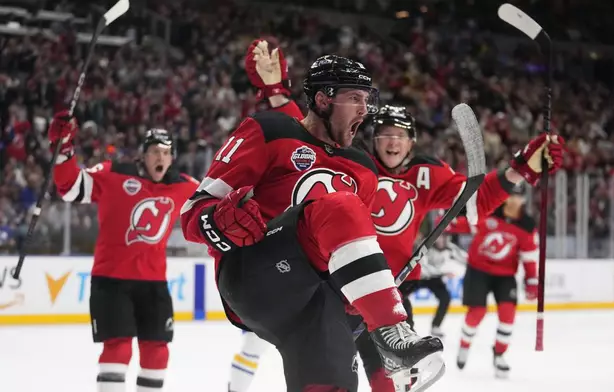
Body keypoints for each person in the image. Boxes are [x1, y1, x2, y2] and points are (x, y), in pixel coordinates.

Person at [224, 38, 565, 392]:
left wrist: (522, 169)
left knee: (391, 383)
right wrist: (276, 90)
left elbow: (474, 201)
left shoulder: (427, 174)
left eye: (400, 136)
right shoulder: (353, 164)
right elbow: (304, 133)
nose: (392, 142)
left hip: (389, 292)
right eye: (385, 134)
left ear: (412, 142)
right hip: (328, 285)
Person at [181, 53, 445, 392]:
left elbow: (348, 246)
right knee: (338, 205)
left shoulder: (363, 167)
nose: (364, 110)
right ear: (323, 100)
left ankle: (386, 336)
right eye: (355, 99)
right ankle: (392, 333)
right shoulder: (269, 130)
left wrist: (361, 296)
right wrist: (217, 219)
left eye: (367, 100)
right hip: (256, 274)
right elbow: (192, 214)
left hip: (318, 301)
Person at [49, 113, 199, 392]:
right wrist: (64, 149)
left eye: (166, 153)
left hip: (154, 284)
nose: (161, 158)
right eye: (155, 151)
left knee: (157, 353)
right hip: (111, 281)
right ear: (143, 155)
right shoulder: (113, 173)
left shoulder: (184, 186)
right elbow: (69, 188)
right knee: (118, 350)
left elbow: (218, 203)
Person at [442, 185, 538, 378]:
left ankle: (500, 354)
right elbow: (465, 224)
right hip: (478, 270)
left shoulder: (527, 226)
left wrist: (532, 281)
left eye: (517, 197)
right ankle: (465, 344)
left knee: (508, 314)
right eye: (510, 196)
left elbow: (529, 257)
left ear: (523, 200)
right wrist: (446, 221)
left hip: (505, 275)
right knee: (476, 313)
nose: (513, 201)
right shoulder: (490, 211)